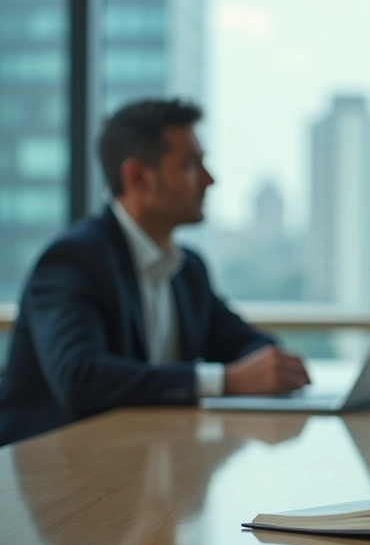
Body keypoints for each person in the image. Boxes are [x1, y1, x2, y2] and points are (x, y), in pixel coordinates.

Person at [0, 99, 310, 447]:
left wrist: (271, 365)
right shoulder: (74, 260)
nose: (209, 180)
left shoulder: (187, 268)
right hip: (54, 466)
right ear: (138, 178)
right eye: (191, 165)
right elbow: (80, 377)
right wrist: (226, 381)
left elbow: (241, 341)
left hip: (146, 456)